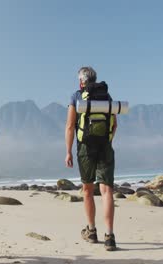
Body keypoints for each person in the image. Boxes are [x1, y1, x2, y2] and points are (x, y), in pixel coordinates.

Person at [65, 66, 118, 251]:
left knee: (87, 189)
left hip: (85, 148)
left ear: (81, 81)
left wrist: (69, 151)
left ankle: (92, 231)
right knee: (107, 191)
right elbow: (114, 125)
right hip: (105, 146)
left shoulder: (76, 96)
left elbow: (70, 126)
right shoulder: (106, 96)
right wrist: (107, 141)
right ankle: (110, 237)